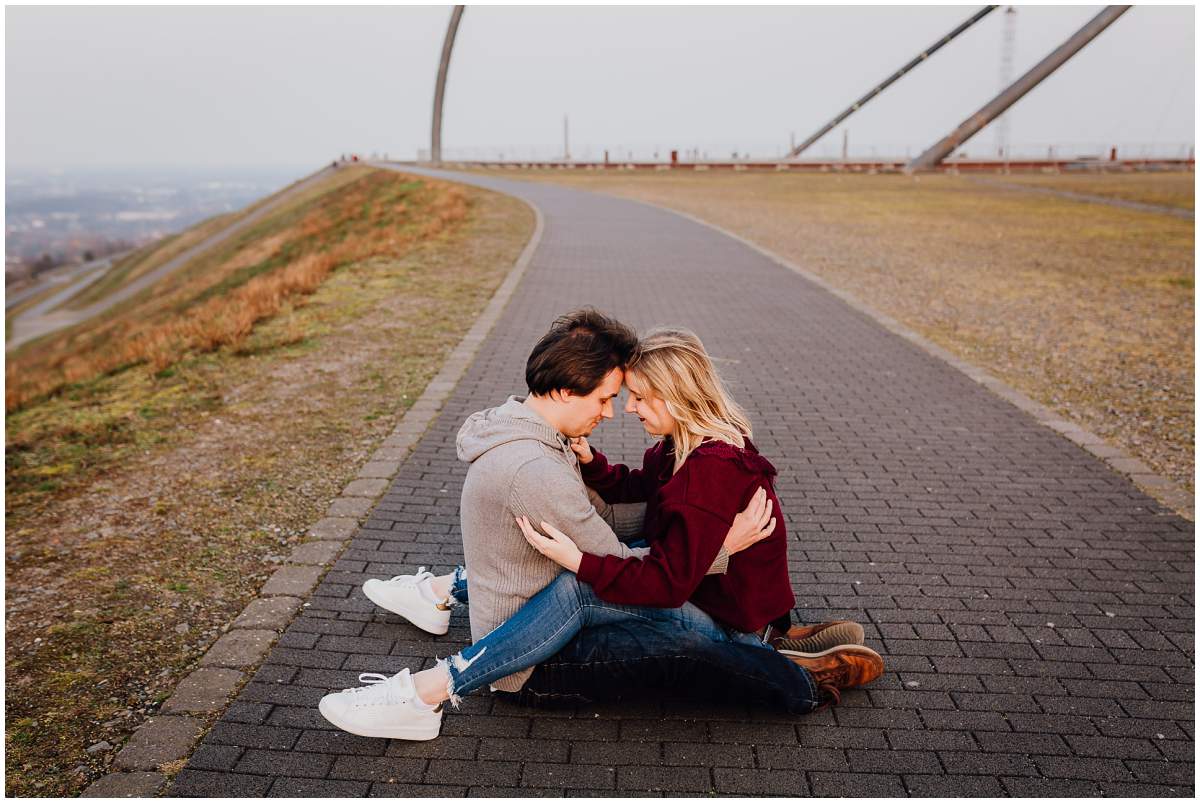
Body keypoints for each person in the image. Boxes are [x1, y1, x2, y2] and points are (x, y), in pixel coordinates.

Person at [318, 312, 881, 740]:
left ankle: (789, 670)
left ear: (677, 398)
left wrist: (597, 559)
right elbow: (644, 498)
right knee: (598, 582)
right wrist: (598, 471)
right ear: (567, 390)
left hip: (723, 609)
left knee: (594, 590)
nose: (623, 410)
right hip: (705, 596)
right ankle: (439, 620)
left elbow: (658, 579)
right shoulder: (675, 448)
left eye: (636, 398)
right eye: (618, 396)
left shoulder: (707, 466)